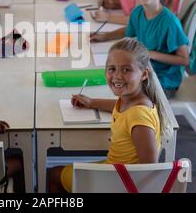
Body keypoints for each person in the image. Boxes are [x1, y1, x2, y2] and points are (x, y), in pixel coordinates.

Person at [49, 37, 171, 193]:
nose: (117, 76)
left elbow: (150, 170)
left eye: (127, 69)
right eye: (112, 69)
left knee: (53, 174)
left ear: (144, 74)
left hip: (118, 182)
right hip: (116, 172)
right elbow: (120, 108)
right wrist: (92, 102)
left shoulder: (139, 118)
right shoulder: (132, 101)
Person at [90, 0, 189, 97]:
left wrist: (151, 54)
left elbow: (184, 59)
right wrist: (104, 37)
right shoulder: (138, 12)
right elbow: (129, 31)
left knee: (123, 94)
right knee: (109, 80)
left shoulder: (170, 22)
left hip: (164, 81)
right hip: (143, 69)